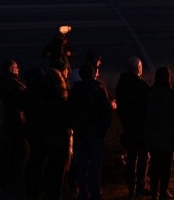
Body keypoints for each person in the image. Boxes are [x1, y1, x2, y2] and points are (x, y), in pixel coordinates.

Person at [25, 67, 71, 200]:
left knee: (39, 167)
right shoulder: (61, 101)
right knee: (57, 172)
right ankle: (54, 195)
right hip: (59, 140)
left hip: (42, 138)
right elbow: (68, 118)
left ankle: (35, 193)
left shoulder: (37, 99)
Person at [68, 63, 112, 200]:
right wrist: (103, 128)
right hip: (96, 134)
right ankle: (95, 191)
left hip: (81, 133)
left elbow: (70, 113)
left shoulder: (75, 92)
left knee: (81, 164)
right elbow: (106, 111)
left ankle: (82, 191)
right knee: (95, 165)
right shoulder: (98, 90)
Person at [116, 56, 150, 198]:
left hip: (128, 127)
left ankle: (131, 188)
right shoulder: (142, 86)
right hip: (140, 128)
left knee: (131, 158)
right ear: (138, 68)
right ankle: (140, 186)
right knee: (143, 157)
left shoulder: (121, 85)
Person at [146, 67, 174, 200]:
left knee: (154, 164)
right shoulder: (172, 94)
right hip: (168, 134)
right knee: (166, 165)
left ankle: (154, 192)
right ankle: (163, 191)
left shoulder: (149, 93)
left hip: (153, 133)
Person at [0, 60, 28, 199]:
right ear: (11, 69)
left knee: (12, 154)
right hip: (16, 123)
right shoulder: (13, 84)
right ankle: (18, 183)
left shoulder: (5, 82)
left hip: (9, 122)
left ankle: (12, 183)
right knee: (21, 153)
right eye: (16, 67)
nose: (18, 70)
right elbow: (24, 98)